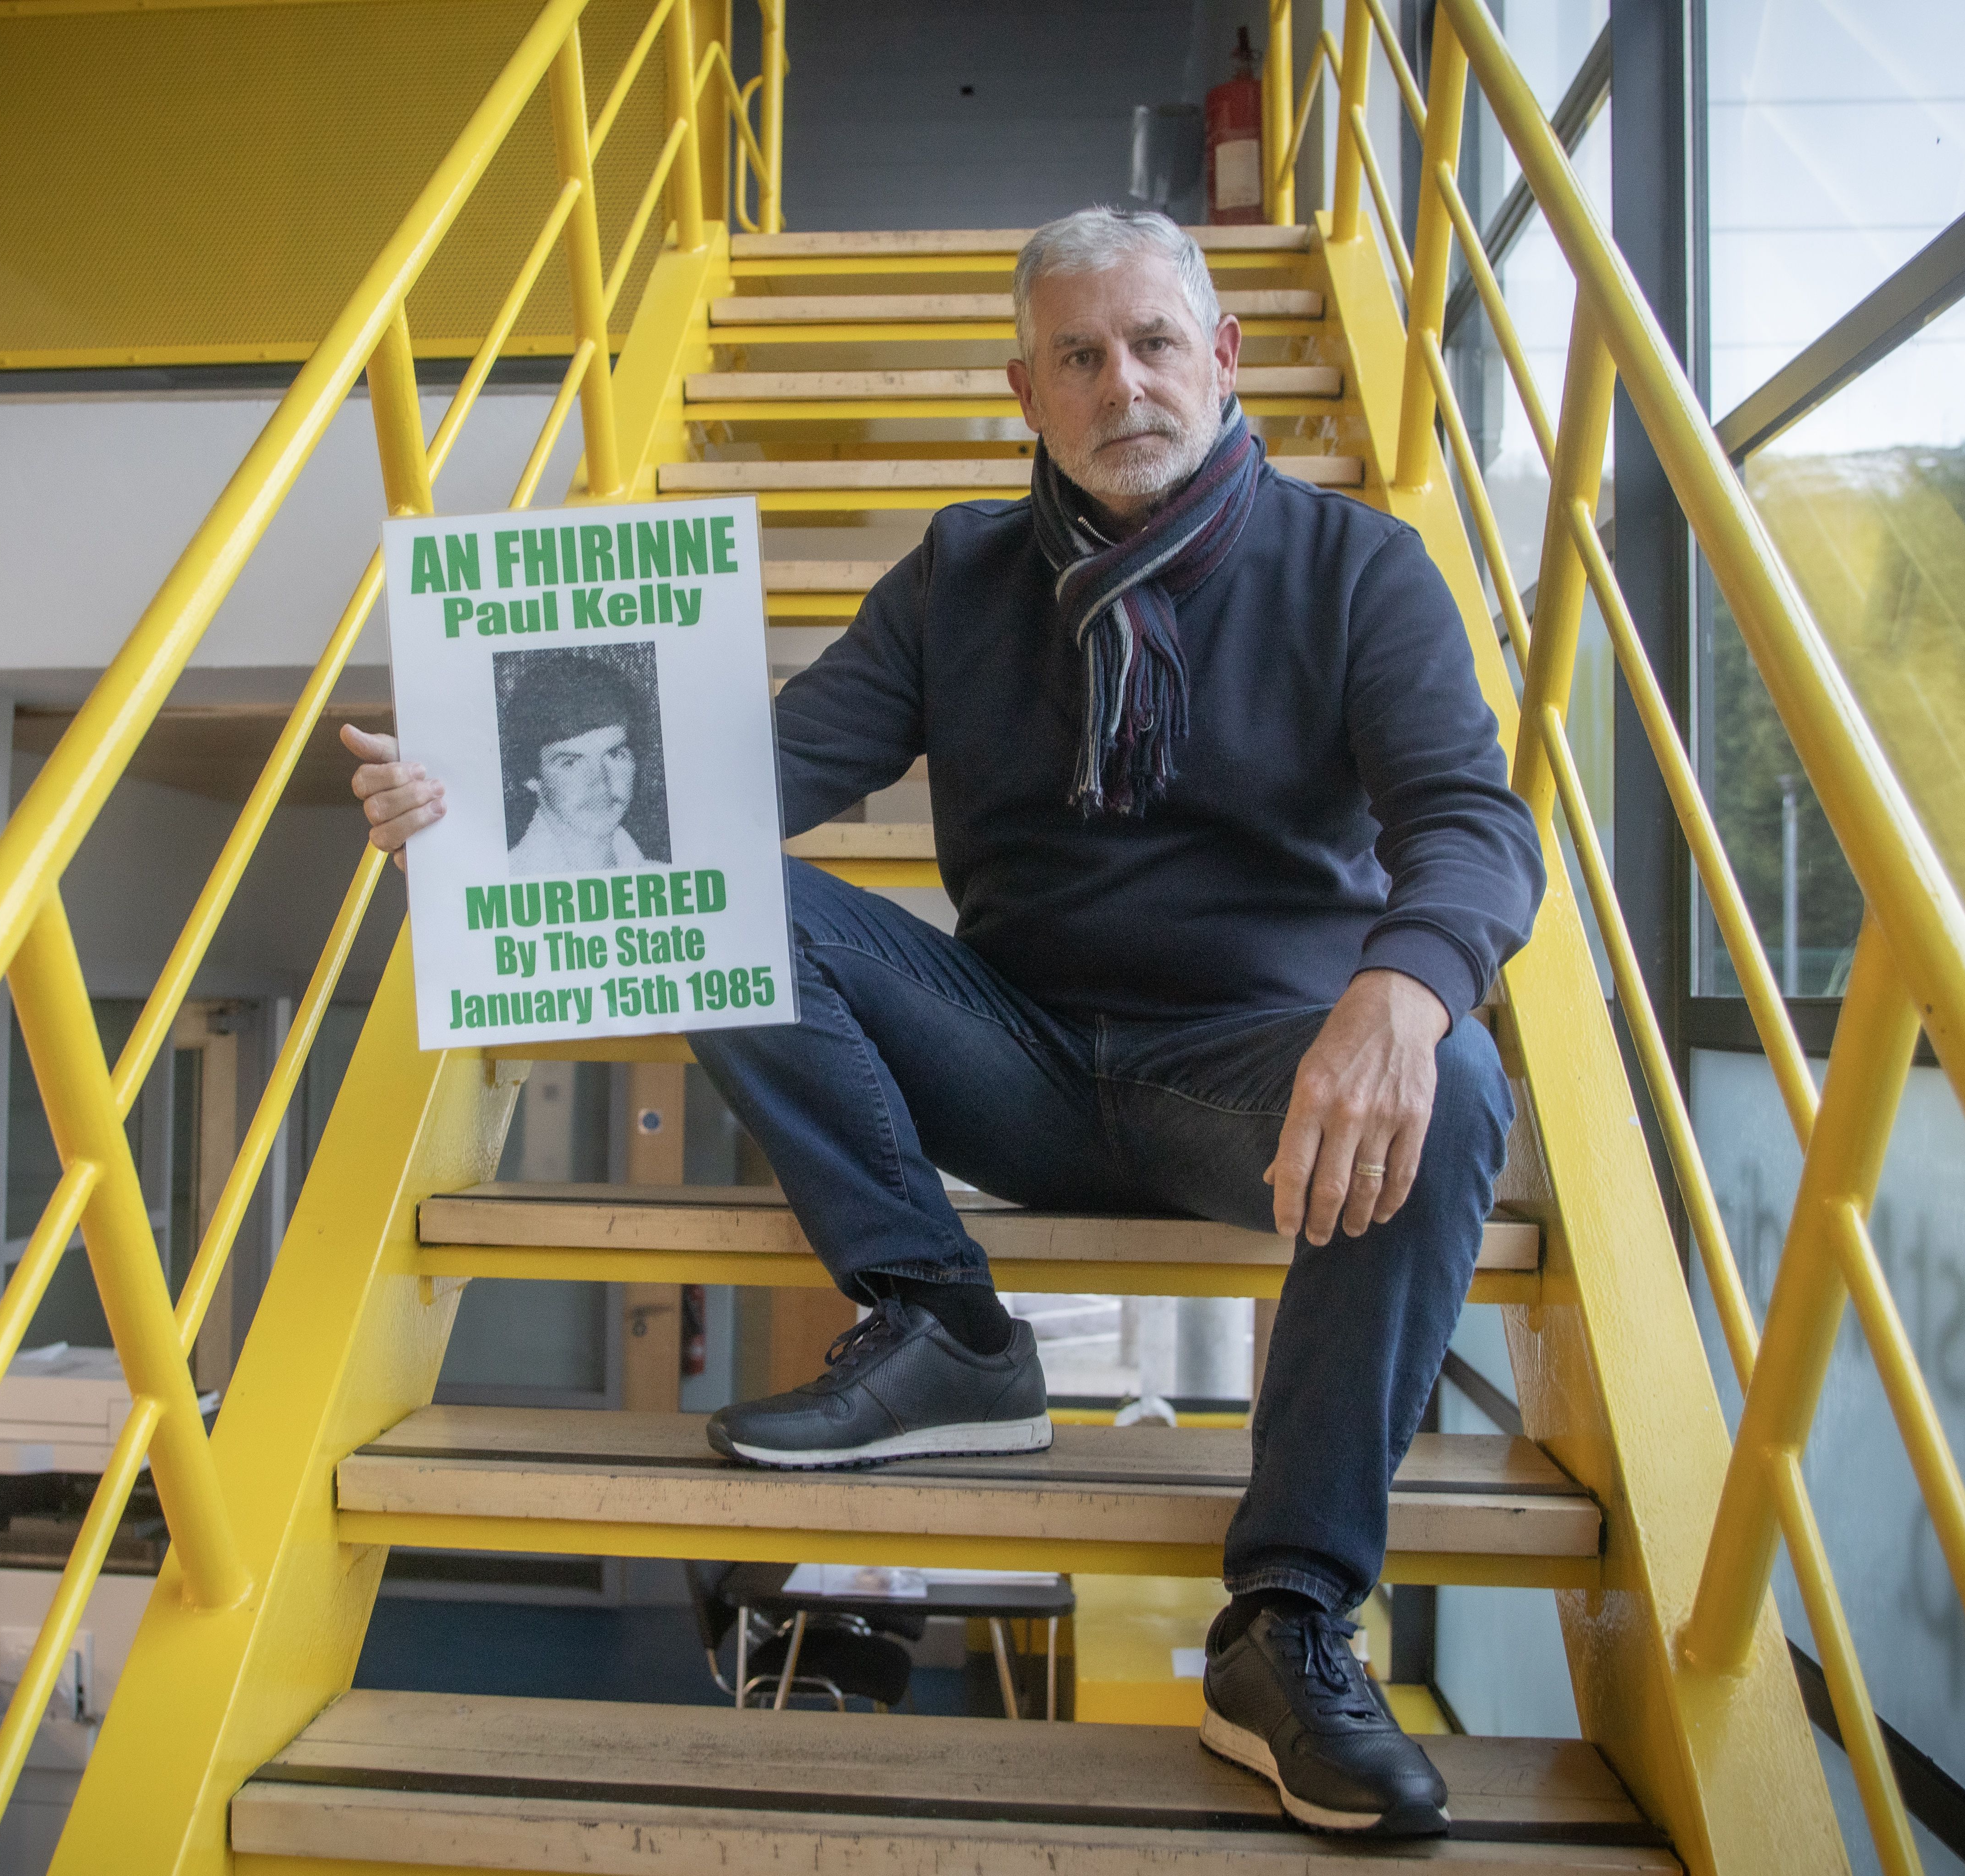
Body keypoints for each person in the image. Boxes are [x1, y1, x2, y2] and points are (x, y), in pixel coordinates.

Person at [343, 206, 1542, 1840]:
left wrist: (1401, 990)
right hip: (1014, 1057)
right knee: (707, 891)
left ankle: (1284, 1627)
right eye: (1077, 355)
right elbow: (728, 790)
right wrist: (469, 803)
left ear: (1224, 356)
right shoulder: (958, 574)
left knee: (1454, 1082)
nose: (1121, 383)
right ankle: (945, 1327)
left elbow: (1473, 823)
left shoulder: (1354, 569)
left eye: (1151, 344)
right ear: (1023, 390)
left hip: (1247, 1075)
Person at [497, 654, 662, 874]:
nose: (601, 783)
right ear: (532, 779)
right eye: (571, 763)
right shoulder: (510, 877)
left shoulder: (661, 873)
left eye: (614, 755)